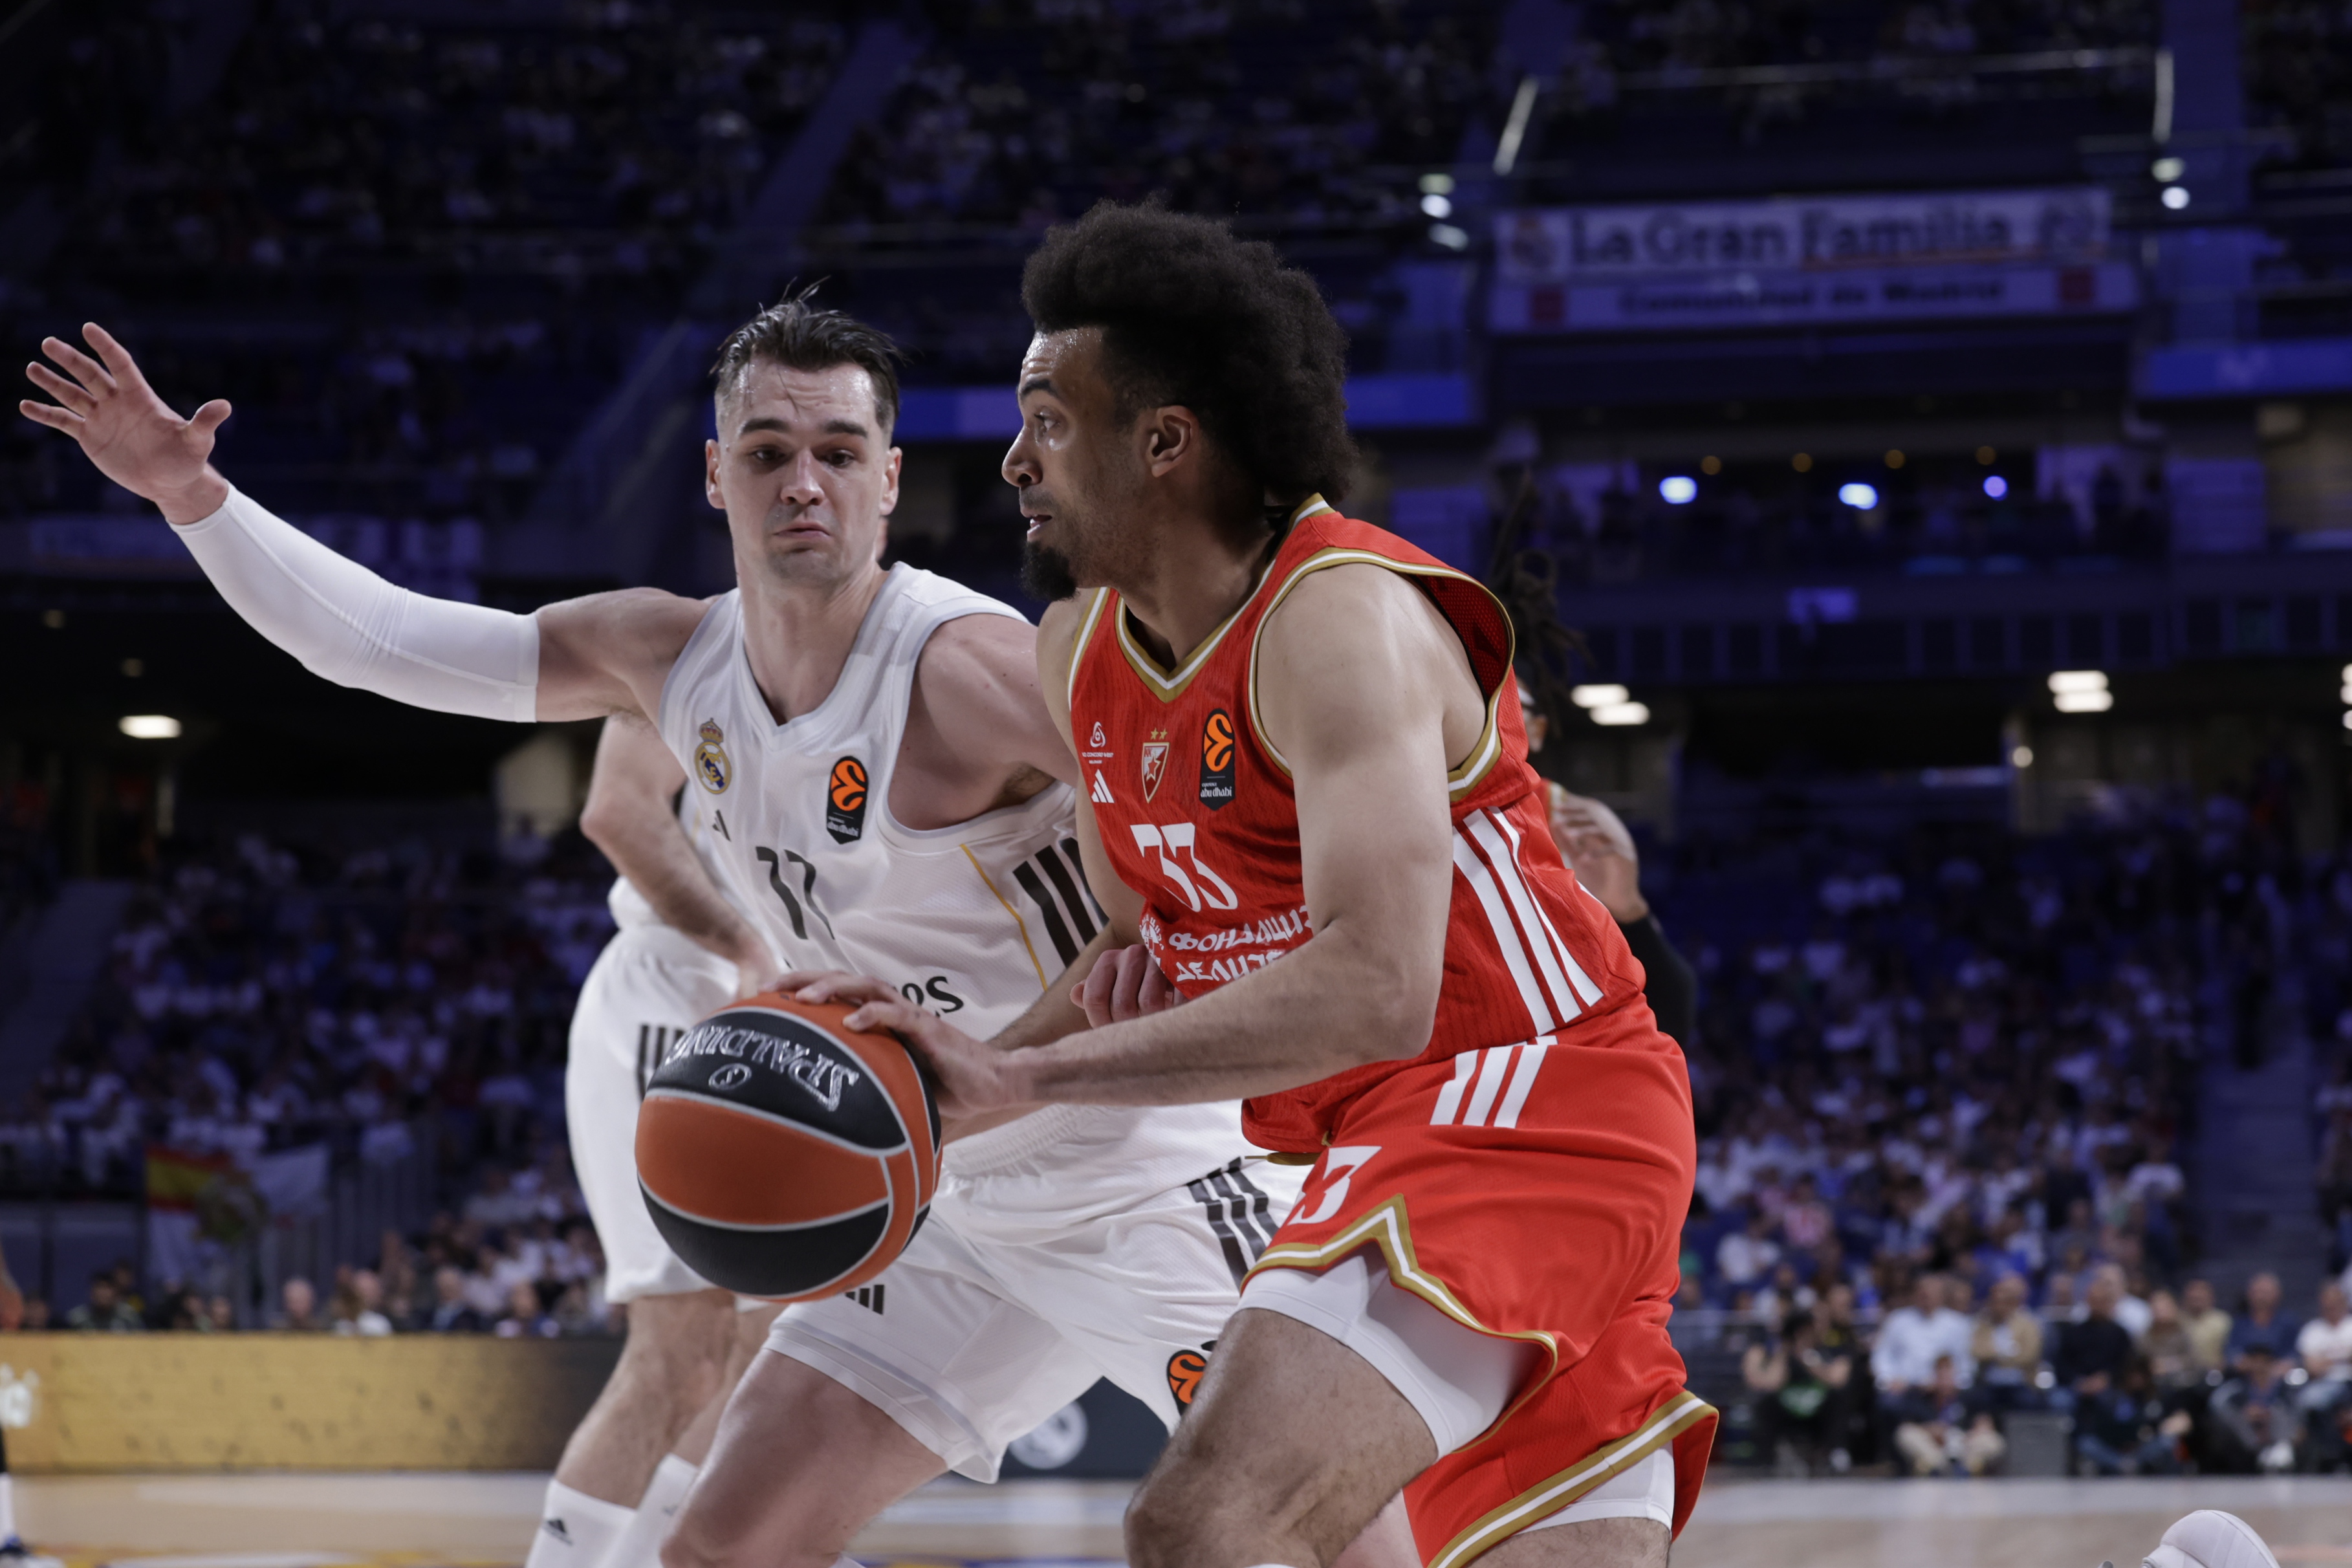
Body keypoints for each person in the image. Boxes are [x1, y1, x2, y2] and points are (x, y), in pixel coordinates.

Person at [18, 307, 1337, 1568]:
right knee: (723, 1545)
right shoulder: (668, 659)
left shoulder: (971, 670)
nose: (803, 482)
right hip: (940, 1203)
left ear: (889, 479)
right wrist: (192, 497)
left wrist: (1071, 1003)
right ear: (718, 475)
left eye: (837, 452)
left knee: (1335, 1528)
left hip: (1140, 1179)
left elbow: (1194, 864)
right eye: (769, 452)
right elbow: (387, 647)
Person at [816, 204, 1709, 1568]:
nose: (1010, 461)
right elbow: (1143, 945)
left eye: (1048, 421)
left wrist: (1030, 1082)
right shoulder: (1080, 652)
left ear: (1163, 443)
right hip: (1383, 1133)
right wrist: (944, 1091)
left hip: (1527, 1099)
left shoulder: (1338, 617)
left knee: (1206, 1521)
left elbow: (1378, 985)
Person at [1741, 1310, 1850, 1475]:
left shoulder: (1829, 1350)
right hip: (1789, 1410)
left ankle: (1836, 1454)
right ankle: (1766, 1461)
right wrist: (1785, 1353)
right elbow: (1773, 1383)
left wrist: (1808, 1359)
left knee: (1838, 1399)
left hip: (1818, 1410)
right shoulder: (1780, 1353)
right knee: (1765, 1403)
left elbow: (1836, 1380)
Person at [1889, 1354, 2005, 1477]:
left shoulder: (1969, 1397)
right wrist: (1931, 1430)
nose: (1945, 1381)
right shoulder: (1922, 1397)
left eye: (1948, 1375)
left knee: (1993, 1440)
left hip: (1963, 1445)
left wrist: (1975, 1431)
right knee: (1905, 1433)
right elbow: (1908, 1424)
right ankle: (1936, 1466)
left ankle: (1968, 1468)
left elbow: (1984, 1422)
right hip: (1934, 1447)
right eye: (1941, 1376)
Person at [1968, 1273, 2043, 1409]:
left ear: (2012, 1304)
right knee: (1975, 1400)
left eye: (2004, 1303)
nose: (1999, 1307)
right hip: (1989, 1382)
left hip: (2020, 1382)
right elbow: (1977, 1351)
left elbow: (2029, 1355)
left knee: (2029, 1401)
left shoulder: (2028, 1325)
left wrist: (1996, 1355)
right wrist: (2009, 1353)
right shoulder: (1982, 1324)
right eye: (1995, 1302)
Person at [2228, 1272, 2300, 1368]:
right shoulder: (2239, 1322)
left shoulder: (2288, 1323)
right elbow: (2230, 1351)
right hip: (2245, 1376)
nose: (2261, 1297)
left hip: (2279, 1377)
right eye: (2257, 1292)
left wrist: (2286, 1364)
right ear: (2249, 1294)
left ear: (2277, 1294)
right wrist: (2240, 1361)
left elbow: (2295, 1352)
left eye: (2265, 1293)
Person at [2182, 1277, 2233, 1375]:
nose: (2196, 1297)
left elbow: (2231, 1352)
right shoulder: (2178, 1320)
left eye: (2200, 1297)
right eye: (2193, 1297)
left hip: (2215, 1373)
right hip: (2184, 1374)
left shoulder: (2223, 1321)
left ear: (2211, 1297)